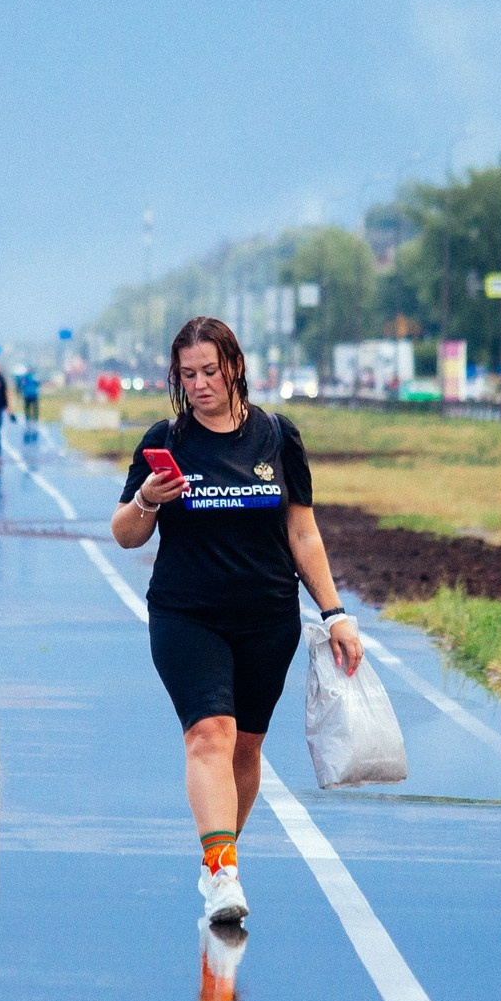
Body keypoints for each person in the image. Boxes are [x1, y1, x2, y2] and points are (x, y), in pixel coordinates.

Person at [111, 316, 361, 927]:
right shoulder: (166, 440)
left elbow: (301, 531)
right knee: (210, 734)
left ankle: (219, 853)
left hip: (267, 618)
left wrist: (335, 614)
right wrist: (148, 499)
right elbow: (123, 533)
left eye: (209, 372)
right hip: (185, 615)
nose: (198, 385)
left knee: (246, 746)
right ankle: (223, 873)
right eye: (187, 374)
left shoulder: (277, 437)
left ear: (235, 368)